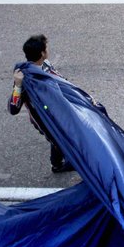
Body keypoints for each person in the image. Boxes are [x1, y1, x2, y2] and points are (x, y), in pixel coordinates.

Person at [10, 35, 74, 174]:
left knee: (63, 135)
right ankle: (57, 165)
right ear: (42, 53)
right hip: (43, 118)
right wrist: (18, 85)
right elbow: (13, 108)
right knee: (57, 138)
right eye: (46, 48)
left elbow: (60, 80)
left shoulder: (46, 64)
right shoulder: (25, 78)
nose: (48, 50)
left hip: (57, 110)